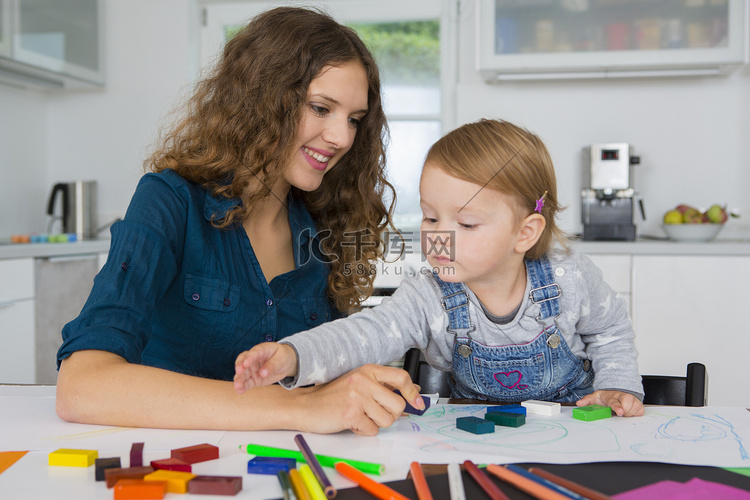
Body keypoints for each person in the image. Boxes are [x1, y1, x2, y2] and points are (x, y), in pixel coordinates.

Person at [55, 6, 421, 435]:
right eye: (321, 108)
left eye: (354, 120)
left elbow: (325, 373)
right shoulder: (169, 202)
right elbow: (81, 386)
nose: (341, 137)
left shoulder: (329, 225)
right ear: (262, 98)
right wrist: (294, 409)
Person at [234, 119, 645, 422]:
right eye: (430, 218)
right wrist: (292, 356)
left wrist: (618, 387)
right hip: (475, 442)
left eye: (466, 224)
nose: (439, 238)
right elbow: (364, 335)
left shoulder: (569, 277)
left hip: (573, 438)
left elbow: (611, 333)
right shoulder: (428, 295)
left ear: (525, 232)